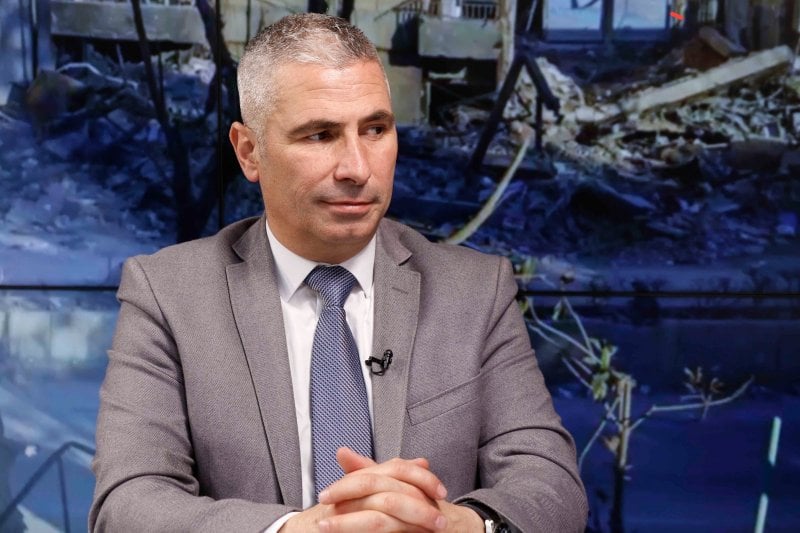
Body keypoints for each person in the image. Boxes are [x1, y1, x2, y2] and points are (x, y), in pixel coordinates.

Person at [89, 13, 587, 533]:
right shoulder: (167, 295)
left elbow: (550, 483)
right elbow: (127, 503)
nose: (357, 168)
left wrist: (464, 525)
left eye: (375, 130)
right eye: (320, 135)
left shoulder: (476, 291)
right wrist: (296, 531)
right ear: (249, 152)